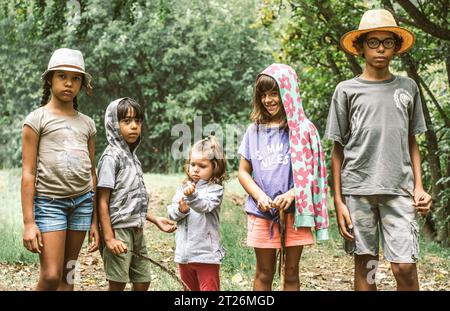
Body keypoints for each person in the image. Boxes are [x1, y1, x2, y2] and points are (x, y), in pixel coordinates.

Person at [326, 9, 432, 291]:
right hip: (358, 190)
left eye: (387, 42)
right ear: (360, 47)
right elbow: (338, 149)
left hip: (399, 190)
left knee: (405, 267)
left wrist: (419, 187)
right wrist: (338, 201)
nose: (381, 48)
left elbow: (412, 140)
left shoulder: (407, 88)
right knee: (367, 265)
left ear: (396, 47)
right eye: (373, 42)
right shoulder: (347, 90)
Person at [238, 63, 329, 291]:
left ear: (288, 92)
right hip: (262, 212)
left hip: (294, 213)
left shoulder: (303, 130)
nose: (268, 100)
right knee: (264, 272)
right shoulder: (254, 130)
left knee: (290, 273)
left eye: (274, 93)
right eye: (264, 95)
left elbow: (314, 172)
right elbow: (243, 172)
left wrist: (293, 193)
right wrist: (259, 196)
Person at [21, 48, 99, 290]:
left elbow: (92, 171)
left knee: (69, 274)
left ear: (82, 84)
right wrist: (29, 223)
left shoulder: (87, 123)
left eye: (76, 78)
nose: (69, 83)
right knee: (52, 275)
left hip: (82, 203)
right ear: (50, 79)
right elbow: (28, 173)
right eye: (62, 76)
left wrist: (94, 221)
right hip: (49, 204)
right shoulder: (37, 120)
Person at [97, 97, 176, 291]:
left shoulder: (133, 158)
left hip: (136, 229)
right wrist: (109, 238)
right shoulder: (110, 157)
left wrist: (154, 219)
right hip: (118, 230)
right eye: (126, 121)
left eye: (137, 121)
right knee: (118, 283)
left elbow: (130, 201)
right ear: (113, 125)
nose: (134, 126)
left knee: (142, 281)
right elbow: (102, 201)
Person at [167, 136, 227, 291]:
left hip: (206, 255)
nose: (195, 169)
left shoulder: (215, 190)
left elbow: (204, 206)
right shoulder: (183, 188)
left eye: (202, 165)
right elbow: (171, 213)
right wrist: (181, 210)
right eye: (192, 164)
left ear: (215, 167)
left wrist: (191, 197)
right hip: (184, 255)